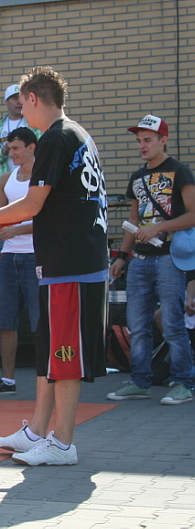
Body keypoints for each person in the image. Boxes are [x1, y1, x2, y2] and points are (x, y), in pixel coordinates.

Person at [0, 66, 109, 466]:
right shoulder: (76, 134)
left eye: (22, 104)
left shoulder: (56, 138)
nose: (20, 112)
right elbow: (50, 206)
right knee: (50, 351)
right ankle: (37, 431)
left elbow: (33, 204)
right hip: (66, 260)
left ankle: (63, 443)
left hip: (72, 264)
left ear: (35, 99)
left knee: (64, 355)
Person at [107, 114, 195, 405]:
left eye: (147, 140)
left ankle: (182, 383)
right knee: (137, 325)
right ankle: (139, 381)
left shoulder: (180, 171)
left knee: (172, 324)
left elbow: (193, 214)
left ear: (163, 140)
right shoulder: (137, 177)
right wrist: (122, 257)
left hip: (169, 258)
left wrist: (159, 228)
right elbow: (133, 221)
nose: (142, 146)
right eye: (138, 141)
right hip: (140, 260)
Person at [0, 128, 40, 397]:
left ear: (31, 147)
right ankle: (7, 380)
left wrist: (15, 229)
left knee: (41, 321)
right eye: (9, 148)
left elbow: (48, 220)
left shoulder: (43, 179)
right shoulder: (6, 178)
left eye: (16, 148)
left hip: (36, 255)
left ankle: (48, 378)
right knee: (5, 320)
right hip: (9, 256)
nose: (10, 153)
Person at [0, 84, 43, 194]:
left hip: (30, 182)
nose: (19, 102)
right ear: (6, 102)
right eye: (15, 98)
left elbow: (41, 150)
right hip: (5, 185)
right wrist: (5, 150)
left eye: (21, 98)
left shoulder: (33, 122)